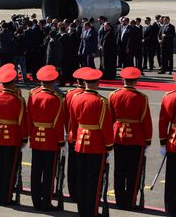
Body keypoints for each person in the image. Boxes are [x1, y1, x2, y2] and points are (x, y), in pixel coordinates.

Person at [69, 68, 114, 217]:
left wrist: (75, 139)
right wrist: (109, 145)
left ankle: (82, 209)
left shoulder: (76, 98)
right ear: (98, 82)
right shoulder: (101, 102)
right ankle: (92, 211)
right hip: (96, 145)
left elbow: (73, 123)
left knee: (81, 178)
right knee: (94, 180)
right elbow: (105, 127)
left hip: (80, 142)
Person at [109, 67, 152, 210]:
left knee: (119, 170)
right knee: (134, 172)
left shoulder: (114, 95)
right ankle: (130, 202)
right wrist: (148, 139)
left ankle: (119, 201)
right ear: (137, 81)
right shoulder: (141, 97)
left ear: (123, 80)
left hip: (118, 137)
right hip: (136, 137)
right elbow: (146, 121)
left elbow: (110, 119)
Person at [0, 64, 28, 205]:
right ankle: (6, 196)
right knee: (10, 169)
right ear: (12, 83)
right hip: (12, 137)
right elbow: (22, 121)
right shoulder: (18, 100)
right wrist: (24, 138)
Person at [27, 66, 66, 211]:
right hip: (50, 139)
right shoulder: (56, 99)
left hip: (36, 136)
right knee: (49, 173)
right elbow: (57, 123)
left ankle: (36, 200)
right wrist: (60, 141)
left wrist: (30, 135)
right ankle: (46, 201)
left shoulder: (33, 95)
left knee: (36, 170)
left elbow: (28, 118)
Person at [64, 67, 90, 202]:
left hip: (71, 134)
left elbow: (65, 116)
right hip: (86, 135)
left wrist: (67, 130)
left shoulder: (70, 94)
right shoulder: (88, 96)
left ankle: (73, 192)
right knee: (84, 167)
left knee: (72, 165)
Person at [159, 76, 176, 216]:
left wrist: (162, 141)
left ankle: (171, 207)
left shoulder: (169, 97)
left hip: (173, 141)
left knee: (171, 177)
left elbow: (163, 121)